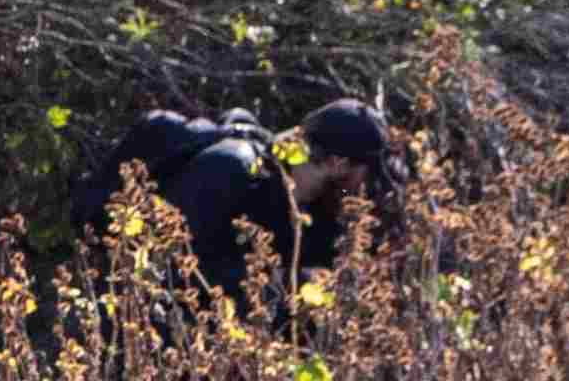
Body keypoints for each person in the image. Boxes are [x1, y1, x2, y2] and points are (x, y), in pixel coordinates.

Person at [86, 97, 397, 307]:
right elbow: (169, 268)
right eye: (363, 172)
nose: (364, 187)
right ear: (338, 163)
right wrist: (285, 283)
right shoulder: (231, 171)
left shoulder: (315, 212)